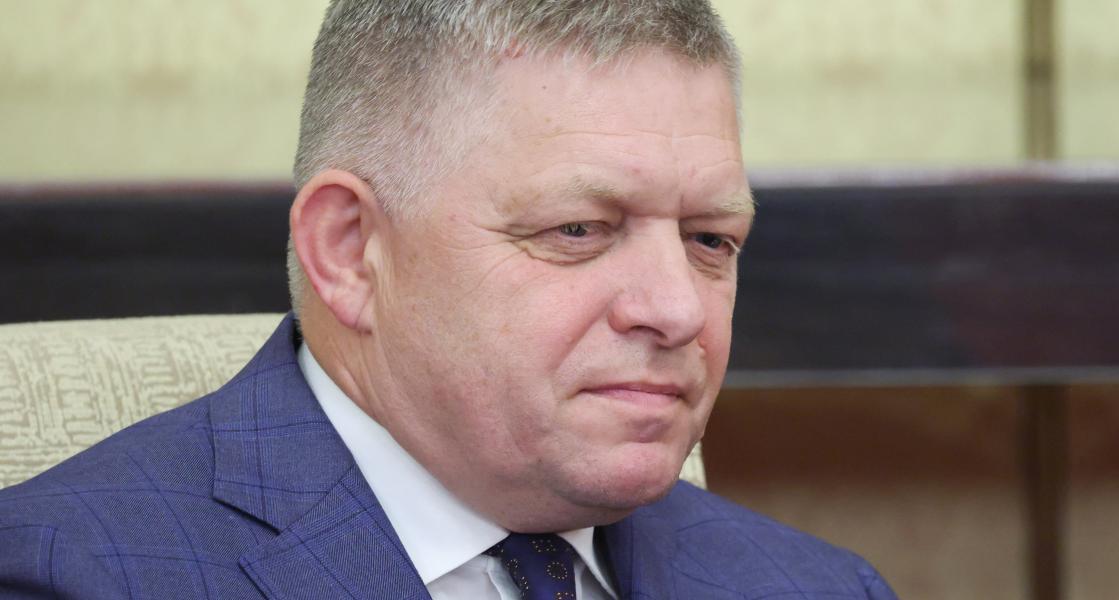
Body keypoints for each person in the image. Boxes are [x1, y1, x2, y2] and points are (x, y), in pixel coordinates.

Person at [0, 1, 897, 598]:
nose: (679, 311)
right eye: (579, 229)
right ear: (350, 251)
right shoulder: (72, 574)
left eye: (710, 240)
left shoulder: (815, 587)